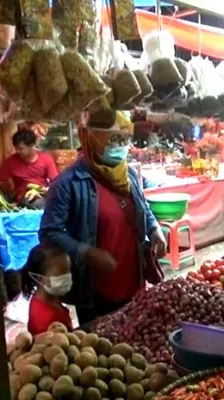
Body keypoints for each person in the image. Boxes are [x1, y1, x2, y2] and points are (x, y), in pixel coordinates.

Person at [40, 109, 167, 325]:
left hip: (134, 281)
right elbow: (49, 232)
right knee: (102, 349)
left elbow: (142, 207)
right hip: (95, 290)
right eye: (113, 140)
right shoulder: (68, 184)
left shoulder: (128, 175)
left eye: (124, 139)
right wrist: (87, 252)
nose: (120, 147)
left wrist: (154, 229)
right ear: (90, 139)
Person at [0, 128, 59, 209]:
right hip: (23, 198)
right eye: (16, 148)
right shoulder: (11, 161)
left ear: (32, 145)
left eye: (21, 148)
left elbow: (56, 183)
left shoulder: (46, 159)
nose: (18, 151)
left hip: (43, 195)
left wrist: (42, 191)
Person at [21, 243, 73, 335]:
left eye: (68, 270)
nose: (67, 277)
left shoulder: (50, 297)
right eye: (61, 274)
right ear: (39, 278)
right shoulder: (47, 322)